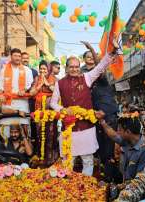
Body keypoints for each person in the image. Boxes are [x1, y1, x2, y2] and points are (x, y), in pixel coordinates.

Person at [50, 44, 117, 176]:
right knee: (68, 161)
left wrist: (112, 51)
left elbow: (100, 67)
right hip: (69, 128)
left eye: (76, 66)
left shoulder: (87, 77)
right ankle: (69, 188)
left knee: (88, 160)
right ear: (66, 68)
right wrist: (63, 109)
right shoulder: (60, 83)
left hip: (87, 127)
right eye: (71, 67)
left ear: (79, 67)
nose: (74, 69)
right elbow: (53, 103)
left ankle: (86, 186)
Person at [80, 43, 119, 180]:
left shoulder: (101, 75)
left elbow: (100, 66)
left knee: (109, 151)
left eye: (93, 56)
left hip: (108, 115)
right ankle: (103, 178)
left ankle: (109, 181)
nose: (91, 58)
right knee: (99, 151)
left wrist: (91, 49)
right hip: (94, 117)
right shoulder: (84, 76)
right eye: (88, 56)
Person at [100, 115, 145, 183]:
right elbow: (113, 135)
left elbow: (141, 180)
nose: (118, 132)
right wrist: (102, 121)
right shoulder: (127, 140)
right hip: (126, 182)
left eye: (120, 130)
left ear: (128, 132)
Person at [0, 48, 34, 139]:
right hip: (8, 105)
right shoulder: (4, 70)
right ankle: (6, 150)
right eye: (15, 56)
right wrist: (0, 94)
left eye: (19, 56)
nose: (17, 58)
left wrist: (24, 90)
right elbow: (0, 86)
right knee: (5, 131)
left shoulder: (27, 70)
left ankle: (23, 151)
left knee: (23, 131)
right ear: (11, 57)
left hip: (22, 104)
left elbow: (29, 84)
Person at [29, 60, 58, 166]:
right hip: (39, 111)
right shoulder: (36, 79)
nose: (42, 71)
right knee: (40, 134)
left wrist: (47, 84)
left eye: (44, 69)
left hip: (50, 110)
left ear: (49, 69)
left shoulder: (54, 79)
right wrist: (39, 85)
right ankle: (41, 158)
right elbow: (31, 93)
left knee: (51, 134)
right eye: (41, 69)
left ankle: (51, 159)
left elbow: (58, 93)